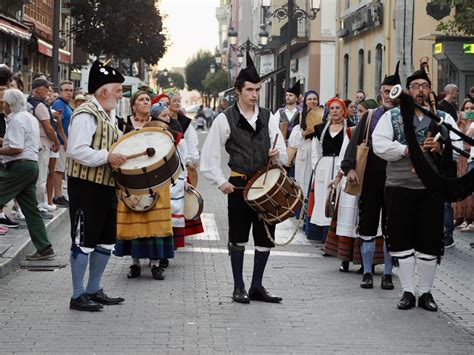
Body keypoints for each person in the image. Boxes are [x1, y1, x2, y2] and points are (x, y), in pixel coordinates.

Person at [200, 52, 287, 304]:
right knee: (238, 236)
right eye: (250, 89)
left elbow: (282, 151)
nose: (254, 95)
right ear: (238, 90)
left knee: (265, 237)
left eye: (257, 90)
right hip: (239, 184)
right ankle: (239, 287)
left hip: (266, 183)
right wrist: (220, 181)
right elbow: (209, 156)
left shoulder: (269, 116)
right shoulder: (224, 119)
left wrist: (276, 154)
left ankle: (257, 285)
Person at [372, 68, 456, 312]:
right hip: (399, 187)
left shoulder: (442, 118)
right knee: (401, 239)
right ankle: (408, 291)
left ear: (430, 90)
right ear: (408, 91)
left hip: (430, 189)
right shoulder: (393, 116)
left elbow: (458, 145)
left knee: (429, 240)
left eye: (425, 86)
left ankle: (426, 293)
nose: (420, 90)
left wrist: (441, 148)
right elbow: (380, 145)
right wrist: (406, 149)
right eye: (416, 85)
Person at [66, 60, 126, 312]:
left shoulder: (108, 114)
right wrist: (107, 157)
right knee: (84, 239)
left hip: (105, 186)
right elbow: (76, 150)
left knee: (106, 239)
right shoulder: (86, 114)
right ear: (103, 91)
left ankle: (93, 289)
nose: (121, 94)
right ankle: (78, 294)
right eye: (118, 90)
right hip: (85, 187)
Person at [340, 63, 401, 289]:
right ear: (380, 92)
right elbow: (354, 145)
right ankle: (367, 272)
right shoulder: (370, 116)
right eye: (385, 91)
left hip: (396, 177)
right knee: (367, 223)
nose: (388, 95)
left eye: (393, 90)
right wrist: (350, 168)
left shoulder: (405, 116)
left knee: (391, 227)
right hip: (371, 177)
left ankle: (387, 274)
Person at [114, 97, 175, 281]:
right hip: (131, 179)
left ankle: (156, 265)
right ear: (133, 105)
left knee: (155, 223)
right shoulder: (122, 123)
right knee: (134, 220)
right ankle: (135, 264)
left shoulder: (158, 125)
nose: (145, 102)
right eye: (141, 100)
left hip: (156, 179)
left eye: (148, 99)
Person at [0, 89, 55, 259]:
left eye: (4, 102)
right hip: (31, 166)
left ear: (8, 104)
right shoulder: (29, 117)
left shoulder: (16, 120)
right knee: (32, 211)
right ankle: (44, 247)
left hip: (20, 167)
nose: (3, 105)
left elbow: (17, 148)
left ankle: (44, 248)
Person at [307, 98, 352, 243]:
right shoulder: (320, 129)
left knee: (341, 199)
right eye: (332, 109)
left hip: (342, 167)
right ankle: (325, 236)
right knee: (324, 200)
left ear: (344, 111)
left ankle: (339, 236)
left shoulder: (351, 128)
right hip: (324, 167)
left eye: (338, 108)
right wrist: (317, 167)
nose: (334, 111)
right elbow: (316, 151)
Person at [27, 78, 60, 216]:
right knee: (41, 176)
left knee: (40, 175)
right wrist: (56, 142)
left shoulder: (30, 102)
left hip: (36, 142)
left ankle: (41, 202)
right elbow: (48, 127)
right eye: (46, 88)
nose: (48, 91)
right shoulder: (40, 105)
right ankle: (39, 205)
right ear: (38, 89)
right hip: (42, 143)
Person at [288, 90, 320, 198]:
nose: (312, 101)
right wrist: (303, 133)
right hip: (304, 151)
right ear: (305, 101)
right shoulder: (301, 116)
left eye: (314, 99)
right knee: (302, 181)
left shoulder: (323, 115)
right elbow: (293, 141)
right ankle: (301, 211)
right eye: (309, 99)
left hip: (318, 150)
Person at [453, 99, 474, 233]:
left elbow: (466, 141)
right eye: (467, 109)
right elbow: (456, 140)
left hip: (469, 156)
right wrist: (462, 124)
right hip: (463, 159)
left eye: (472, 108)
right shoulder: (461, 123)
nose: (470, 111)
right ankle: (465, 218)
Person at [51, 80, 74, 207]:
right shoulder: (59, 103)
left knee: (60, 169)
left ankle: (59, 195)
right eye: (66, 90)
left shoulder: (66, 105)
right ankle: (57, 195)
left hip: (63, 141)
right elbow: (57, 124)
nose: (69, 93)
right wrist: (65, 141)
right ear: (60, 92)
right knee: (58, 170)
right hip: (60, 142)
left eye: (71, 90)